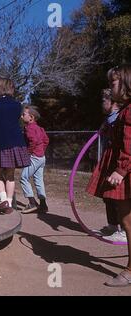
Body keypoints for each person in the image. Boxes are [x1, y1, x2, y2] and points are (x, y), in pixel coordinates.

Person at [87, 65, 130, 287]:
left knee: (127, 217)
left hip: (127, 169)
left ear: (125, 84)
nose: (109, 87)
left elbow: (130, 143)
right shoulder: (124, 111)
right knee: (125, 216)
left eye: (112, 83)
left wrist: (121, 169)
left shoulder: (129, 111)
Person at [0, 78, 30, 215]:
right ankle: (8, 201)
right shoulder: (17, 106)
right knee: (10, 175)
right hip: (16, 144)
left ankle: (3, 201)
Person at [92, 88, 126, 242]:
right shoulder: (109, 119)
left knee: (119, 196)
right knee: (107, 195)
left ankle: (125, 230)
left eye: (103, 101)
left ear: (113, 103)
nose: (101, 104)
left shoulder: (120, 117)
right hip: (109, 159)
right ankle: (112, 225)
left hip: (118, 161)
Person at [19, 105, 49, 214]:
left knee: (23, 178)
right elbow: (46, 140)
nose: (21, 117)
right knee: (38, 180)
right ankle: (43, 205)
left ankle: (32, 203)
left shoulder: (29, 128)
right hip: (41, 158)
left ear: (31, 117)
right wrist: (42, 151)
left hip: (35, 157)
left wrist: (29, 152)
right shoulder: (39, 128)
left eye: (23, 115)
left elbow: (34, 141)